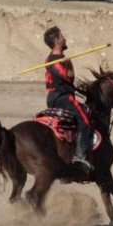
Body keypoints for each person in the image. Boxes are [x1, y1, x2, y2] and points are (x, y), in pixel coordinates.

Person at [43, 26, 94, 173]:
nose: (65, 38)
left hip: (54, 96)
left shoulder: (50, 59)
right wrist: (68, 63)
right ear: (58, 40)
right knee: (85, 121)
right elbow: (68, 77)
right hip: (62, 98)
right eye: (62, 36)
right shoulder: (54, 61)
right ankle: (79, 156)